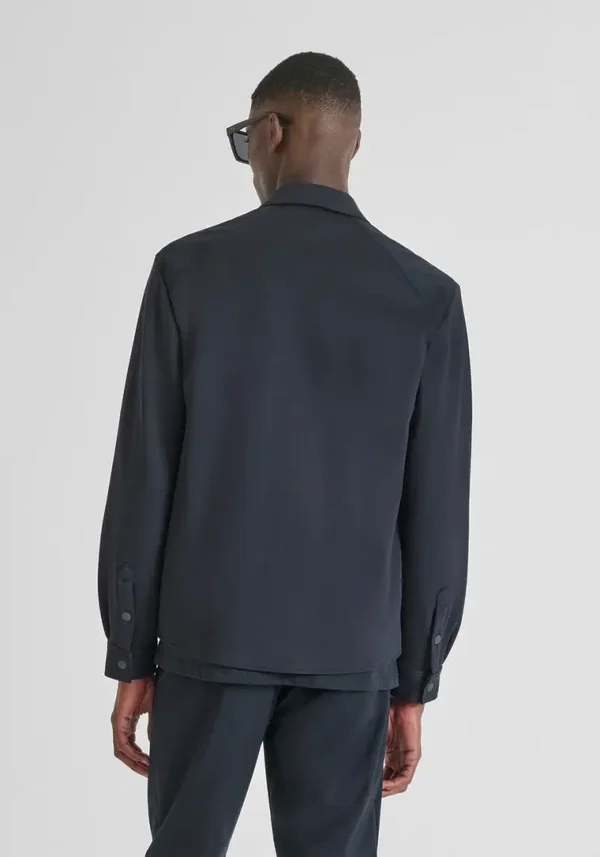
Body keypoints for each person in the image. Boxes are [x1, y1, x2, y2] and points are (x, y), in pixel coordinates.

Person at [98, 51, 472, 857]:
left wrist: (130, 650)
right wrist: (415, 683)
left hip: (209, 638)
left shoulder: (188, 273)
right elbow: (436, 512)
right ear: (353, 144)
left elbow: (144, 478)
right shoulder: (425, 298)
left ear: (270, 131)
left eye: (246, 141)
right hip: (353, 650)